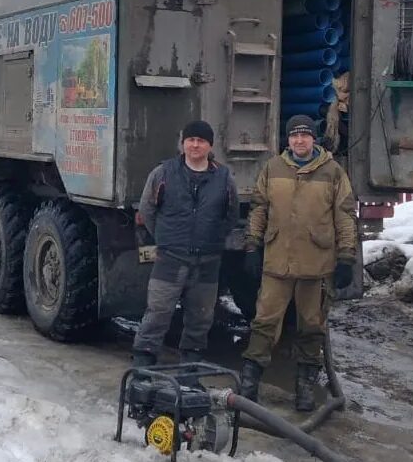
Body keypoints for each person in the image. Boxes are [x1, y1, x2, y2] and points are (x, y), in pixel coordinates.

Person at [240, 114, 357, 411]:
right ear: (287, 139)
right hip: (277, 262)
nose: (300, 140)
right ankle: (249, 383)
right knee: (264, 323)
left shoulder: (332, 172)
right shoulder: (273, 168)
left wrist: (346, 256)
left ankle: (304, 387)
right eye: (294, 136)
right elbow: (259, 209)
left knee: (311, 327)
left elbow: (344, 216)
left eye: (305, 135)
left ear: (313, 139)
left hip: (316, 265)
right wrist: (252, 245)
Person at [130, 119, 239, 368]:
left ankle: (190, 368)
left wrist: (213, 238)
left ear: (210, 146)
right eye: (190, 140)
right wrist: (165, 238)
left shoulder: (223, 177)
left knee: (200, 318)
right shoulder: (164, 173)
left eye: (201, 141)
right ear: (183, 144)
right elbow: (147, 209)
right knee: (157, 313)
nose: (195, 145)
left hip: (207, 262)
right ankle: (143, 365)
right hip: (170, 259)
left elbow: (231, 215)